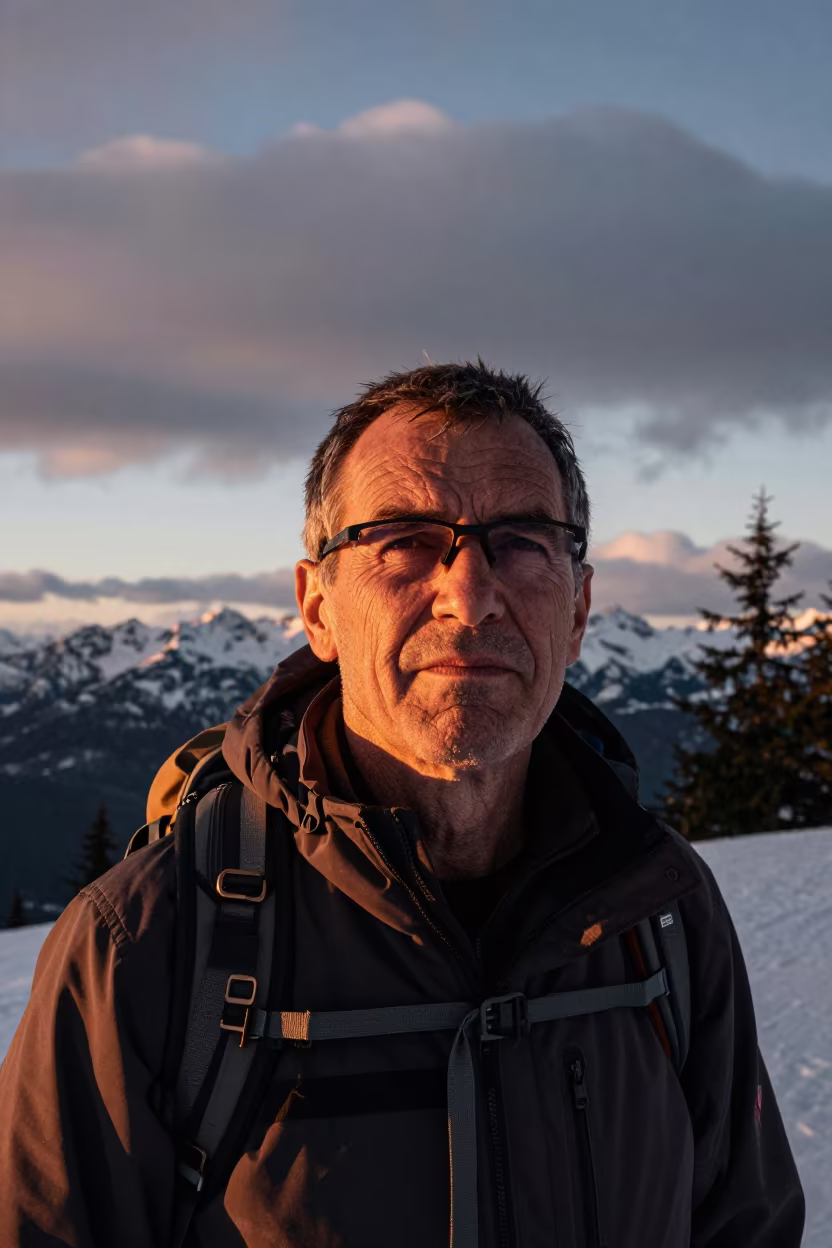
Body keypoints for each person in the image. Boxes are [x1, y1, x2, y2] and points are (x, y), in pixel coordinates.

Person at [0, 361, 804, 1247]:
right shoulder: (148, 946)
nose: (469, 593)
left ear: (578, 611)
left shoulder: (663, 918)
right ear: (319, 608)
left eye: (523, 540)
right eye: (405, 539)